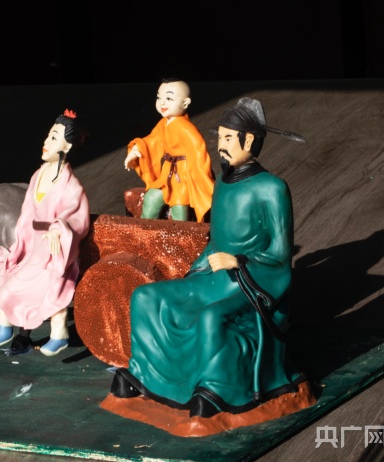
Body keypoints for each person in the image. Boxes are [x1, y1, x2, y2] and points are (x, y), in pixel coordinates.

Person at [111, 97, 308, 418]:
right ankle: (145, 374)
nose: (222, 145)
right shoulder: (222, 185)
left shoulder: (272, 189)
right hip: (213, 277)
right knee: (145, 297)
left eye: (229, 138)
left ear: (249, 141)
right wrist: (196, 273)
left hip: (250, 285)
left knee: (211, 317)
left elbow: (280, 257)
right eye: (221, 137)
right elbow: (216, 242)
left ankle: (217, 388)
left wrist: (239, 263)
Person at [0, 109, 90, 356]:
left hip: (56, 253)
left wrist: (58, 230)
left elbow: (77, 218)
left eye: (54, 138)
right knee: (10, 283)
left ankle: (59, 334)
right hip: (34, 247)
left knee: (52, 287)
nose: (46, 142)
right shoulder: (38, 175)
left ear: (67, 146)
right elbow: (27, 212)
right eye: (48, 136)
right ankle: (4, 326)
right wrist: (21, 243)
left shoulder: (71, 186)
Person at [124, 78, 214, 222]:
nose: (162, 103)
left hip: (183, 176)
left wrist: (199, 178)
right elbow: (152, 140)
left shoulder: (186, 128)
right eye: (159, 98)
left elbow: (198, 152)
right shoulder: (163, 123)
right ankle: (144, 230)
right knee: (151, 198)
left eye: (169, 98)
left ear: (185, 103)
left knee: (179, 209)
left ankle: (181, 235)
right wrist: (136, 149)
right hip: (167, 175)